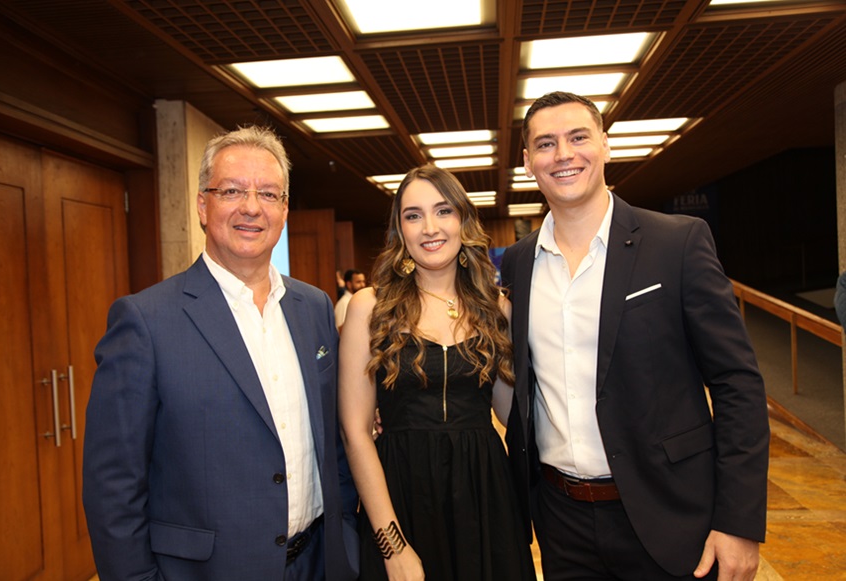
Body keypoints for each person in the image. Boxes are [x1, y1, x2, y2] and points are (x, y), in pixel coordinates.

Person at [500, 92, 769, 581]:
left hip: (671, 514)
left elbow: (737, 384)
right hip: (562, 521)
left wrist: (738, 521)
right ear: (527, 162)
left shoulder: (677, 242)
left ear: (605, 145)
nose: (563, 155)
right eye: (546, 144)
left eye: (578, 138)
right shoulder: (520, 263)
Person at [82, 125, 359, 581]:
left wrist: (344, 534)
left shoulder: (314, 308)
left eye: (269, 194)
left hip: (318, 562)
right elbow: (114, 488)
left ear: (285, 209)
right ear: (202, 205)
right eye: (232, 190)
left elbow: (332, 440)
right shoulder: (145, 321)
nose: (252, 206)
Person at [339, 164, 535, 581]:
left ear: (463, 220)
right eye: (413, 215)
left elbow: (508, 412)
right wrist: (391, 545)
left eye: (443, 211)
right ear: (400, 229)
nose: (429, 227)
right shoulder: (370, 308)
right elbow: (355, 432)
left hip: (485, 497)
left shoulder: (496, 308)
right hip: (402, 497)